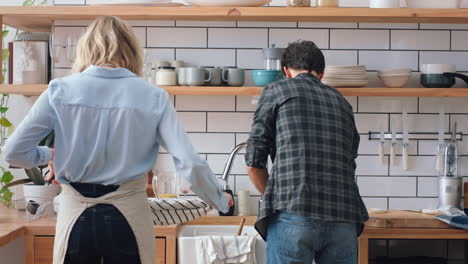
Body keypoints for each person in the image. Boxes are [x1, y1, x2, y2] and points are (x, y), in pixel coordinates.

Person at [2, 16, 233, 264]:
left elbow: (13, 152)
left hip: (74, 215)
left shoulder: (60, 90)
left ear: (86, 49)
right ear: (132, 50)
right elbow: (189, 162)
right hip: (129, 216)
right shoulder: (153, 96)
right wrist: (219, 199)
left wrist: (49, 155)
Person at [245, 40, 368, 264]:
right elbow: (350, 158)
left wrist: (275, 197)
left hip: (294, 212)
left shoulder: (276, 90)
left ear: (286, 71)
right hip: (344, 216)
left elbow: (254, 162)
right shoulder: (341, 102)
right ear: (320, 74)